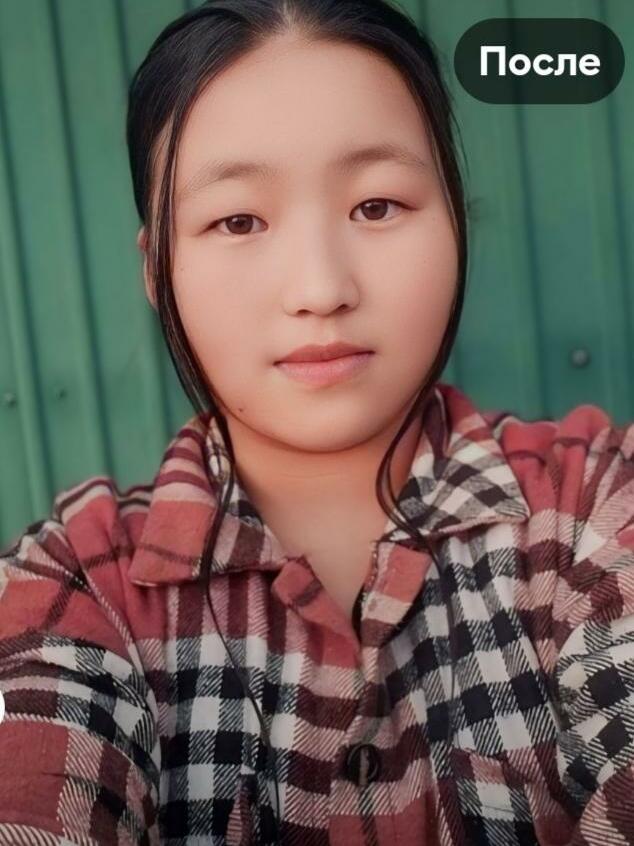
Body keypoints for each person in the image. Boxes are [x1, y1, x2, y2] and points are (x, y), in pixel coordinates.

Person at [0, 1, 632, 843]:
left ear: (455, 219)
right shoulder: (76, 587)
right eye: (238, 220)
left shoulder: (594, 507)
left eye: (377, 206)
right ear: (157, 270)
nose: (321, 288)